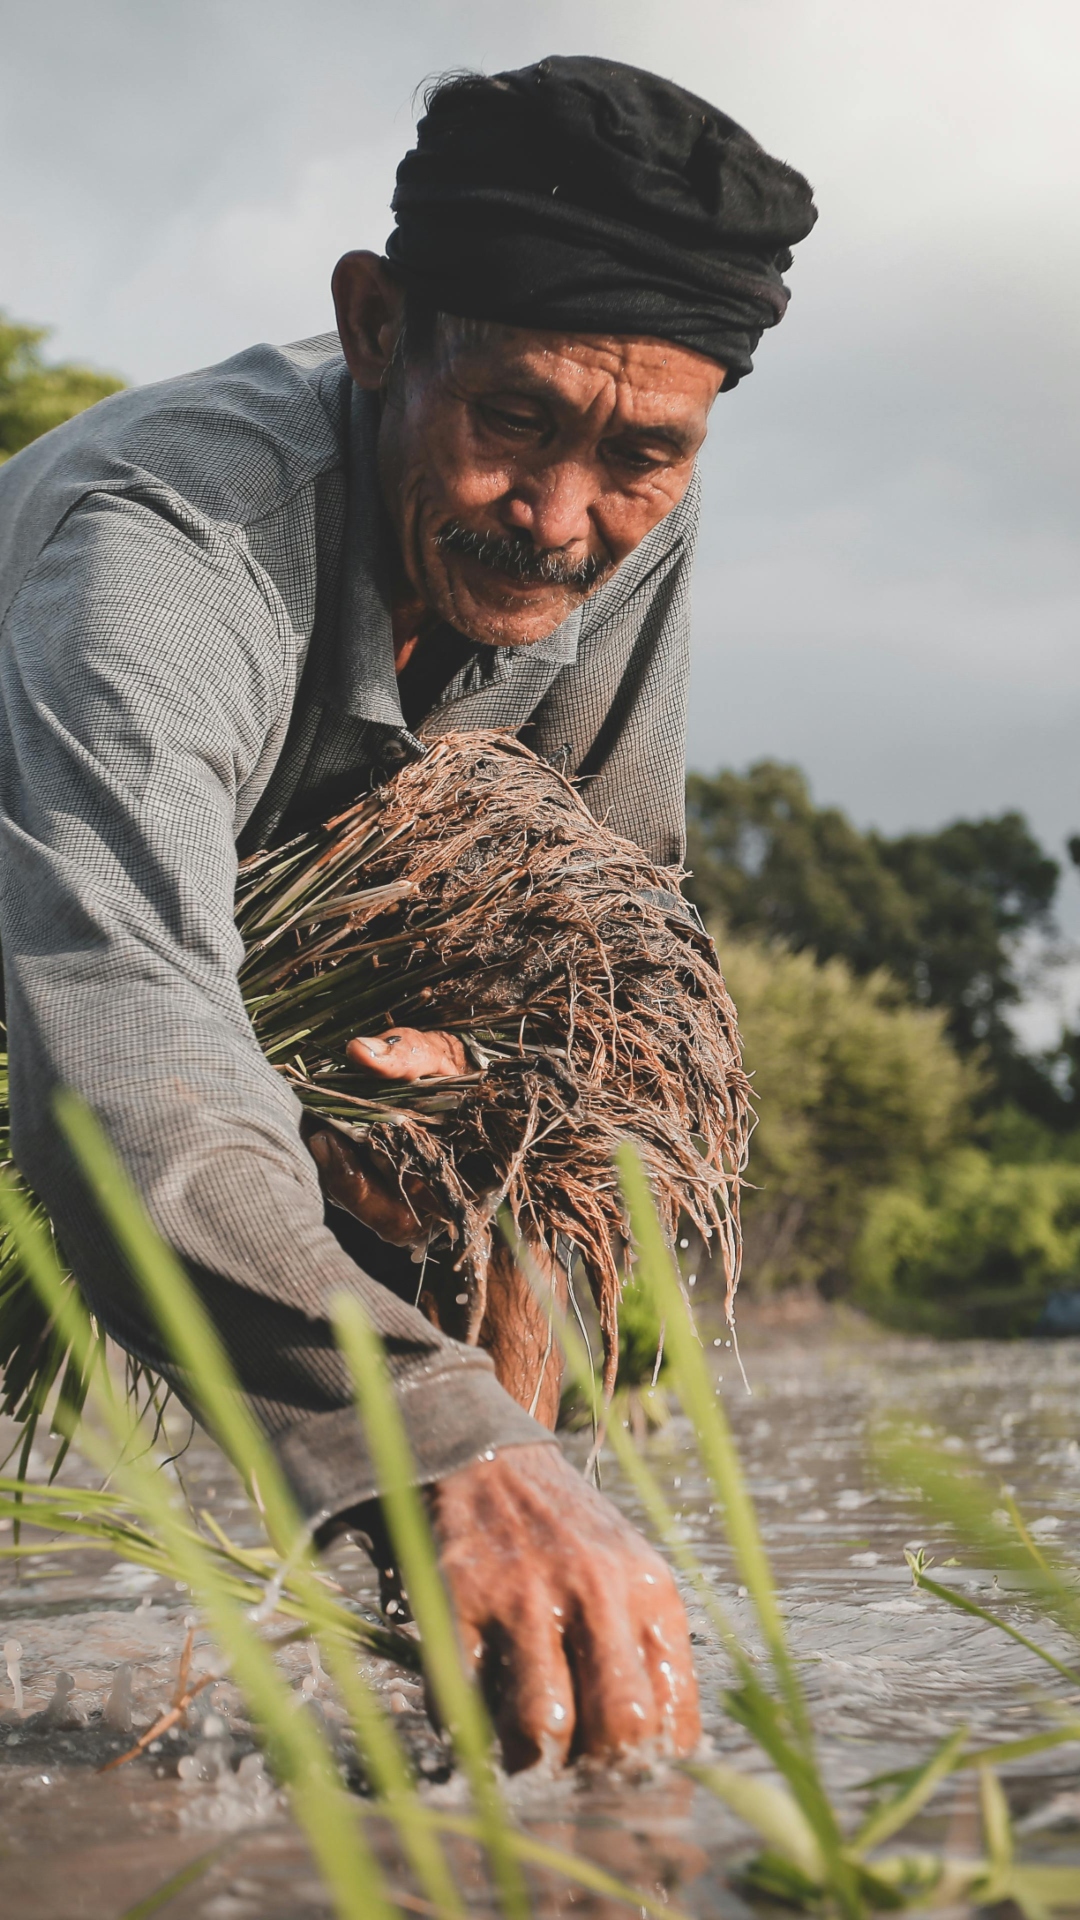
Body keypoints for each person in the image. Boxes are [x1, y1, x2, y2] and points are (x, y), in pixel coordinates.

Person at [0, 56, 815, 1770]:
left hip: (250, 1006)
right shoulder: (164, 549)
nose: (562, 517)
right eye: (510, 418)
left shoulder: (615, 515)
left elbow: (619, 941)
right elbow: (123, 1047)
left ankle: (488, 1689)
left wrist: (493, 1088)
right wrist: (440, 1446)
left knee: (542, 1142)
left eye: (644, 454)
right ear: (377, 327)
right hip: (66, 964)